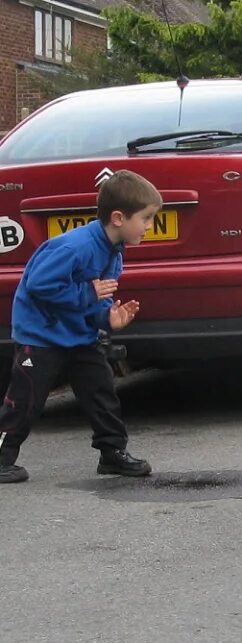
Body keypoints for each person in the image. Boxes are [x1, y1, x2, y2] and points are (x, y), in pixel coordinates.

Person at [0, 170, 161, 483]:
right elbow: (38, 285)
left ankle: (113, 454)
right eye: (146, 218)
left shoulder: (114, 251)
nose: (149, 226)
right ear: (118, 218)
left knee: (101, 390)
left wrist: (107, 318)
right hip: (41, 335)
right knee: (26, 398)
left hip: (78, 335)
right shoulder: (75, 247)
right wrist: (88, 293)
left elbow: (99, 296)